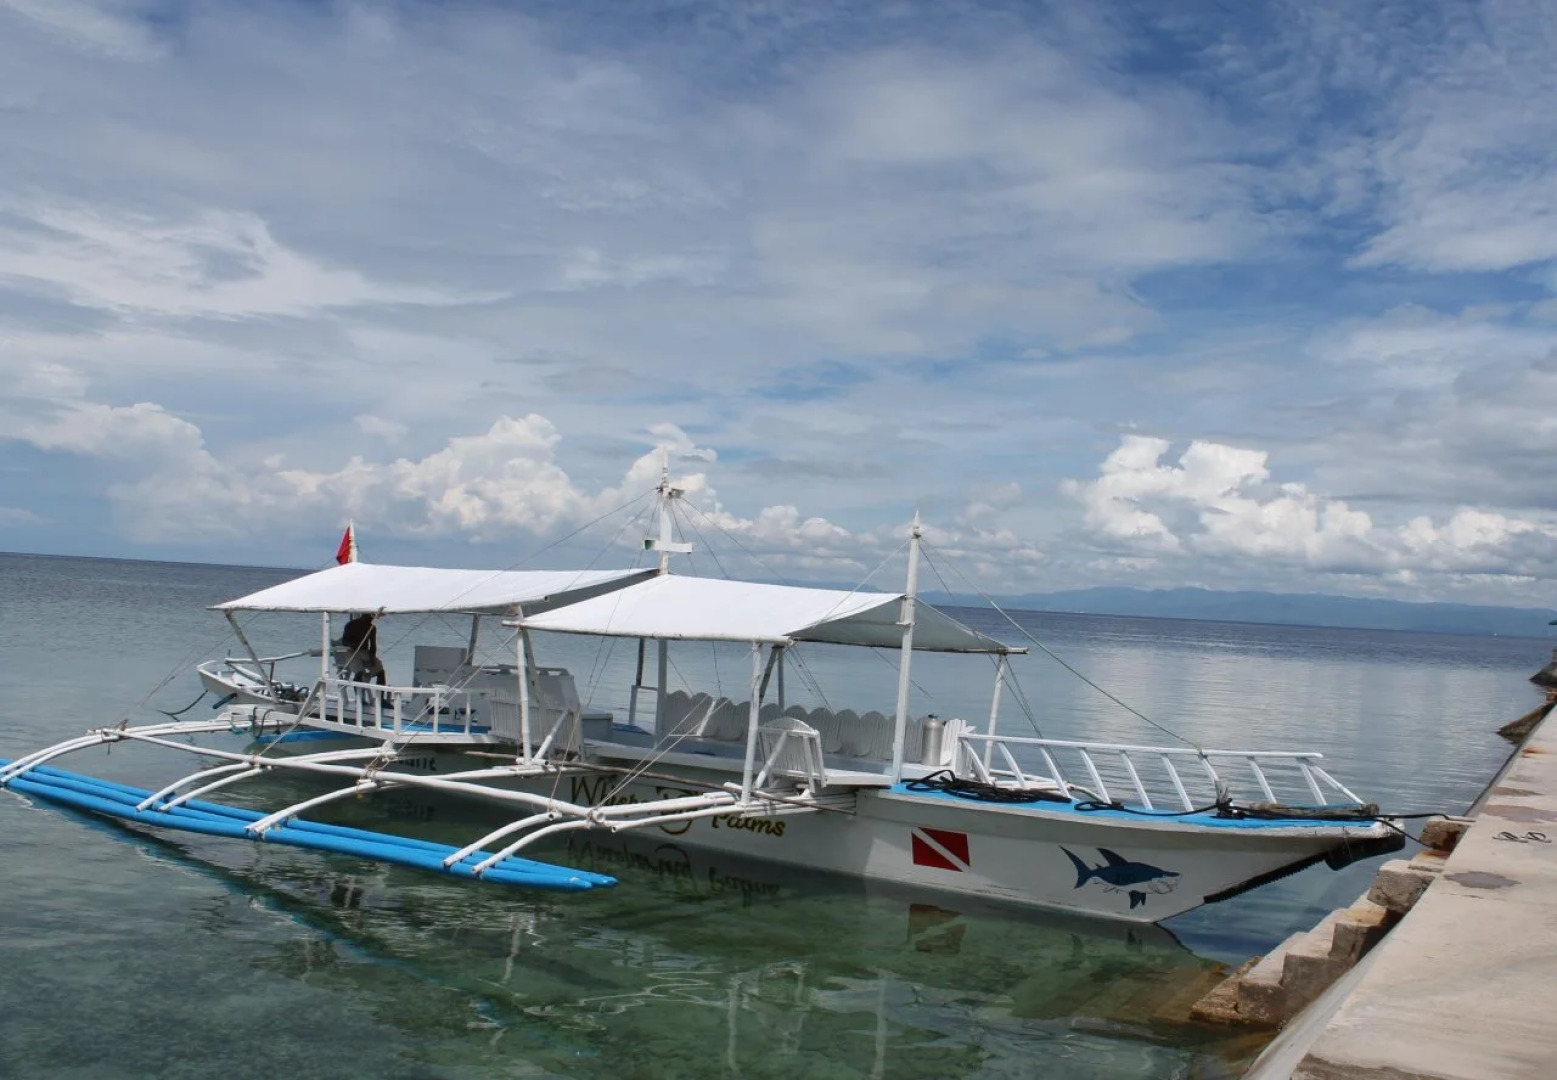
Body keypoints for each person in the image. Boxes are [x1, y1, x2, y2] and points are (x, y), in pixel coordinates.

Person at [339, 612, 387, 686]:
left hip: (364, 652)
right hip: (350, 652)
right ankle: (359, 696)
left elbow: (373, 646)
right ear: (363, 616)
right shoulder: (350, 625)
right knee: (359, 673)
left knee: (380, 672)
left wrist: (372, 659)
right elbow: (344, 642)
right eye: (370, 616)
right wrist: (355, 645)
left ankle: (380, 696)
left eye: (372, 617)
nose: (371, 619)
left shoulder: (371, 628)